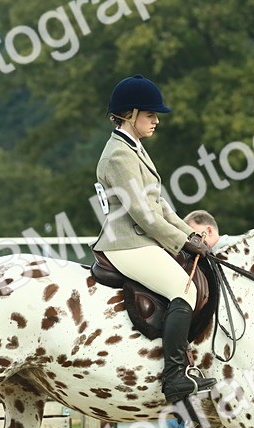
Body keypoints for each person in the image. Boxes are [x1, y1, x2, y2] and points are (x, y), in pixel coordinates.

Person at [92, 74, 216, 404]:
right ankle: (174, 374)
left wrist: (190, 234)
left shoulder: (133, 149)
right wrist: (181, 243)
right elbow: (144, 215)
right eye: (150, 115)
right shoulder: (119, 155)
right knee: (184, 289)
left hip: (141, 238)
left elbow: (159, 205)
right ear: (130, 114)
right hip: (126, 243)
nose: (156, 121)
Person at [169, 210, 230, 428]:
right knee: (194, 424)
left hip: (207, 360)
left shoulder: (219, 260)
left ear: (206, 232)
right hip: (206, 359)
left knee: (188, 424)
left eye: (192, 236)